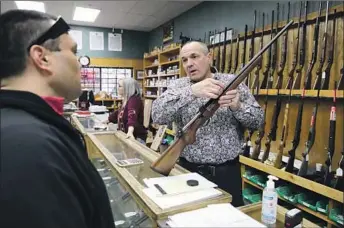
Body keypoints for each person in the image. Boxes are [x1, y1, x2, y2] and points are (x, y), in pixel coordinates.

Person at [0, 10, 115, 227]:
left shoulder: (26, 128)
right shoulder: (26, 145)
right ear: (42, 57)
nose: (80, 63)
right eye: (73, 51)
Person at [151, 41, 264, 207]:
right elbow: (157, 115)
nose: (189, 64)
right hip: (188, 172)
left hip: (227, 173)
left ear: (209, 58)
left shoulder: (232, 82)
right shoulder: (178, 86)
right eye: (184, 60)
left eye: (194, 57)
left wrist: (238, 106)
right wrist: (191, 92)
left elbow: (258, 121)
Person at [107, 78, 147, 144]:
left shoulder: (134, 100)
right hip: (127, 135)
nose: (118, 88)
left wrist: (130, 131)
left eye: (120, 86)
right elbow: (119, 112)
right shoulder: (127, 99)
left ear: (127, 88)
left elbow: (132, 115)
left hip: (135, 137)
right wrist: (108, 120)